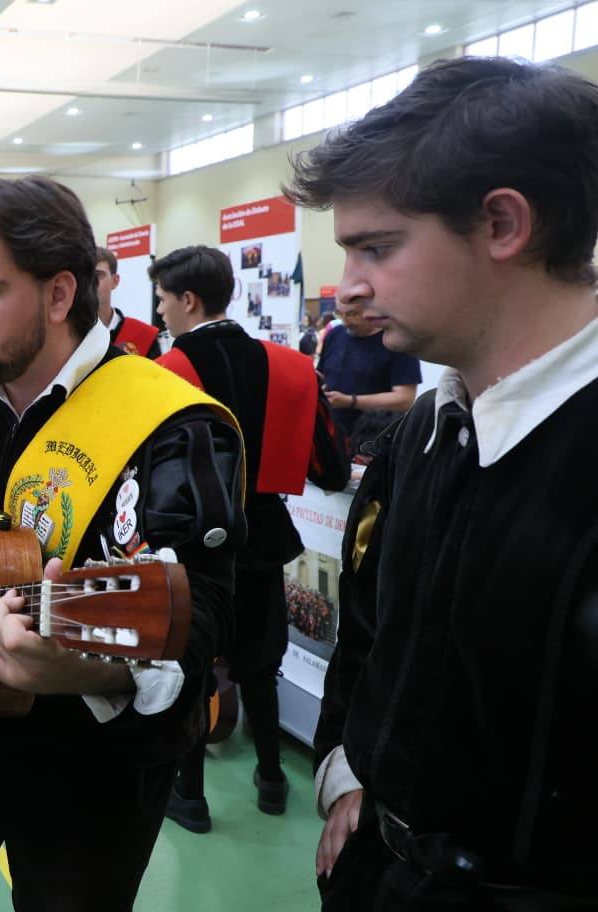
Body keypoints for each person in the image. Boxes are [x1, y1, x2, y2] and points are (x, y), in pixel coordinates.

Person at [0, 176, 246, 910]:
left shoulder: (174, 425)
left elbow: (203, 617)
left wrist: (88, 675)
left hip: (94, 756)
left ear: (60, 294)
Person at [286, 57, 598, 909]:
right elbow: (367, 637)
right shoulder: (421, 434)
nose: (347, 287)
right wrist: (346, 773)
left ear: (503, 224)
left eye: (376, 248)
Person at [148, 244, 348, 832]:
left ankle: (189, 795)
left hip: (189, 546)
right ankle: (269, 777)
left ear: (187, 299)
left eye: (162, 299)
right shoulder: (292, 368)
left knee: (189, 664)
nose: (159, 312)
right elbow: (331, 470)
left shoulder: (163, 376)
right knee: (261, 665)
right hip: (262, 536)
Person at [317, 296, 420, 449]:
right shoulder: (335, 335)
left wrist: (350, 401)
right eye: (340, 313)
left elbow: (404, 399)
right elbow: (323, 376)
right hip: (333, 435)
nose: (346, 321)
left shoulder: (396, 341)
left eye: (352, 314)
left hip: (374, 438)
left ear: (372, 310)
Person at [95, 246, 162, 358]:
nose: (90, 282)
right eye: (85, 276)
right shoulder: (68, 335)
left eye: (98, 275)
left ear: (115, 281)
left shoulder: (144, 336)